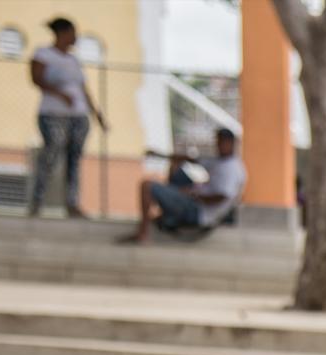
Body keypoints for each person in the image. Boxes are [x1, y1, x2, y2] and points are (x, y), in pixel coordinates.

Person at [29, 17, 105, 219]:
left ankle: (72, 204)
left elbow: (84, 89)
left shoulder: (74, 61)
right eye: (72, 33)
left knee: (74, 159)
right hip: (52, 114)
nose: (75, 37)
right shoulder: (43, 54)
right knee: (51, 155)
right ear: (62, 33)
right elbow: (36, 79)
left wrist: (96, 114)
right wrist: (60, 94)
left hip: (78, 116)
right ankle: (37, 201)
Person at [121, 128, 245, 242]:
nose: (219, 145)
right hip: (195, 197)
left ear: (231, 143)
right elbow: (191, 159)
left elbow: (221, 197)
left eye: (223, 142)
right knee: (176, 166)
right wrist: (160, 155)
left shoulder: (232, 169)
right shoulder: (220, 161)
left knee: (147, 186)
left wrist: (193, 195)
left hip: (199, 211)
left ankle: (143, 233)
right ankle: (168, 213)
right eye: (218, 141)